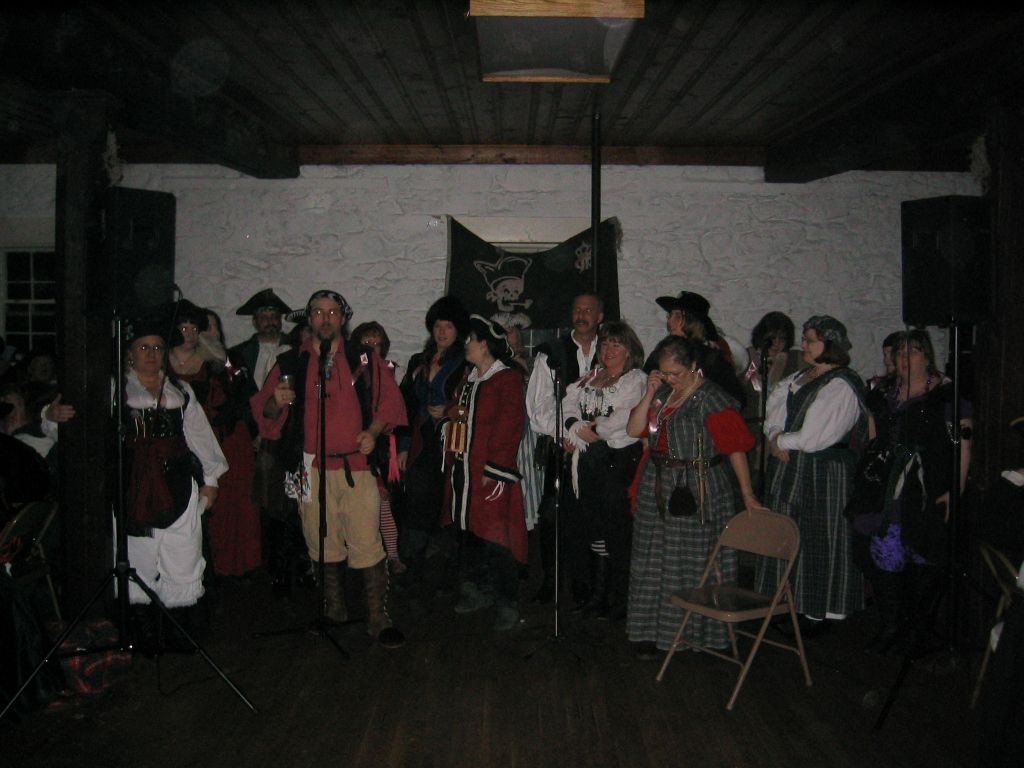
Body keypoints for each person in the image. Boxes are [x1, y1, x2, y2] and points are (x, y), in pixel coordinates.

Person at [252, 289, 407, 648]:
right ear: (309, 319)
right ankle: (333, 610)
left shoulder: (364, 359)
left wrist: (372, 432)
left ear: (343, 318)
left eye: (332, 312)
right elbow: (265, 414)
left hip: (357, 467)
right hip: (311, 468)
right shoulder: (291, 362)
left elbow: (391, 403)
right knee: (320, 541)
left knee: (367, 542)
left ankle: (377, 617)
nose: (325, 318)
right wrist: (276, 401)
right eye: (318, 312)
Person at [626, 337, 763, 656]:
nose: (669, 378)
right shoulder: (661, 396)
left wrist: (748, 495)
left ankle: (693, 634)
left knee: (687, 562)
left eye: (674, 373)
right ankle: (652, 630)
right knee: (653, 559)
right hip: (658, 486)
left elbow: (735, 449)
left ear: (693, 367)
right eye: (664, 372)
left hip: (696, 487)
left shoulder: (712, 399)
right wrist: (649, 392)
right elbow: (634, 430)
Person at [851, 329, 972, 653]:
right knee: (879, 552)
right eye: (900, 353)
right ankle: (892, 623)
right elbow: (874, 437)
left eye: (913, 352)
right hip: (885, 487)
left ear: (926, 355)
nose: (905, 359)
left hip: (925, 485)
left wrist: (956, 489)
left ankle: (917, 629)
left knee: (921, 554)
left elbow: (964, 445)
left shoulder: (945, 395)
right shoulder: (883, 393)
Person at [121, 316, 227, 650]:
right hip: (135, 488)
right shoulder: (116, 392)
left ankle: (179, 635)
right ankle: (142, 637)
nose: (151, 354)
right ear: (130, 354)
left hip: (178, 484)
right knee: (139, 557)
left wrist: (210, 479)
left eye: (157, 348)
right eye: (143, 348)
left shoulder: (180, 391)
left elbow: (200, 436)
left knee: (183, 555)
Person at [758, 315, 867, 636]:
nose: (803, 345)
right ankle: (784, 603)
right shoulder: (801, 376)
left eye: (810, 340)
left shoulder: (841, 384)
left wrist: (781, 442)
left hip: (823, 473)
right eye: (804, 339)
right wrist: (774, 435)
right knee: (786, 534)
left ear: (829, 344)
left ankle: (819, 612)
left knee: (820, 538)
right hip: (791, 468)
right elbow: (774, 410)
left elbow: (815, 436)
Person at [444, 314, 527, 631]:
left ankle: (507, 601)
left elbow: (509, 427)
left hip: (490, 474)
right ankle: (477, 589)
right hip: (464, 471)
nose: (466, 344)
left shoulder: (506, 379)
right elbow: (459, 417)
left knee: (496, 538)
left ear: (485, 344)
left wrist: (493, 470)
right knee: (469, 533)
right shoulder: (469, 379)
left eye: (471, 339)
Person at [560, 320, 647, 619]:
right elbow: (568, 402)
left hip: (617, 460)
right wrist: (575, 427)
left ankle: (620, 599)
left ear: (629, 350)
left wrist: (593, 430)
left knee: (616, 529)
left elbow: (626, 416)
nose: (609, 349)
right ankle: (598, 595)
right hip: (589, 459)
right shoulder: (592, 376)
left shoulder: (635, 379)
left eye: (616, 344)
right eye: (606, 343)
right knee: (593, 525)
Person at [525, 292, 604, 605]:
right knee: (553, 515)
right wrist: (563, 434)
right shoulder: (551, 352)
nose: (581, 315)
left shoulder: (612, 349)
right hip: (561, 446)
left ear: (599, 316)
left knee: (591, 514)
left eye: (588, 310)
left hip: (599, 448)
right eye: (577, 309)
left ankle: (587, 587)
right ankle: (552, 583)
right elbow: (538, 405)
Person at [396, 296, 471, 597]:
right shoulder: (419, 361)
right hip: (420, 442)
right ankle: (413, 568)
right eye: (438, 326)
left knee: (449, 504)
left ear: (458, 330)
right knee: (416, 502)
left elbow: (472, 403)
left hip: (452, 444)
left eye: (448, 326)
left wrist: (451, 410)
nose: (442, 332)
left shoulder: (466, 363)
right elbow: (405, 405)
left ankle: (448, 576)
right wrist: (403, 446)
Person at [228, 289, 299, 594]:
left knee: (289, 504)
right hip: (252, 438)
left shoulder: (296, 349)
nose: (269, 320)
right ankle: (264, 564)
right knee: (260, 504)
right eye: (264, 316)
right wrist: (253, 430)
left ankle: (291, 566)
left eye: (274, 315)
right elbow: (238, 397)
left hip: (286, 438)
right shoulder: (239, 355)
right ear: (255, 321)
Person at [350, 320, 403, 574]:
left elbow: (394, 411)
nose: (371, 347)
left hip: (380, 446)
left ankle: (392, 555)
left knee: (382, 503)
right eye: (366, 342)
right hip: (352, 445)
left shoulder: (389, 371)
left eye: (376, 343)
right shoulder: (349, 372)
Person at [644, 290, 746, 408]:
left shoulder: (711, 358)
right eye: (670, 316)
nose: (670, 321)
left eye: (677, 316)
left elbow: (735, 399)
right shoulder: (662, 354)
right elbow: (645, 387)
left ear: (692, 321)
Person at [742, 311, 802, 491]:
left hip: (781, 432)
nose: (777, 344)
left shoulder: (795, 361)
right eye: (772, 338)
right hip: (750, 432)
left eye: (782, 339)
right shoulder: (747, 358)